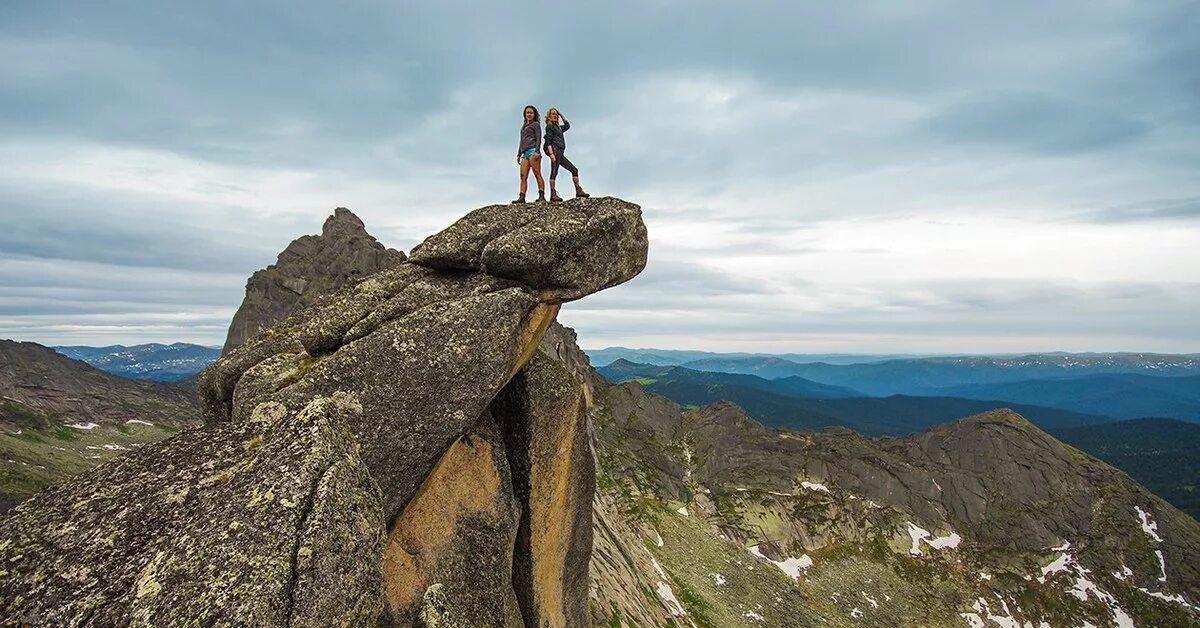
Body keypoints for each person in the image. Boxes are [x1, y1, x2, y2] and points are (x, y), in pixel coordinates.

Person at [543, 108, 589, 201]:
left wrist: (561, 114)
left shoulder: (559, 128)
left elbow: (567, 126)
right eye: (553, 114)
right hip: (555, 151)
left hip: (560, 152)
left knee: (574, 170)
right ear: (549, 116)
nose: (555, 116)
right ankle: (552, 193)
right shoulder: (550, 127)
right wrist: (551, 154)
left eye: (556, 114)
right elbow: (548, 141)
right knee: (554, 172)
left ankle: (578, 190)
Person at [513, 105, 546, 203]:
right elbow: (521, 141)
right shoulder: (523, 127)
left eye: (531, 113)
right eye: (527, 112)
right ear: (525, 114)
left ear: (534, 114)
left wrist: (537, 151)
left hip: (533, 151)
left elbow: (539, 138)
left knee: (537, 173)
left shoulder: (536, 124)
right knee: (523, 176)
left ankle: (541, 195)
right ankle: (522, 197)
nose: (529, 114)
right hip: (524, 153)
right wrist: (519, 154)